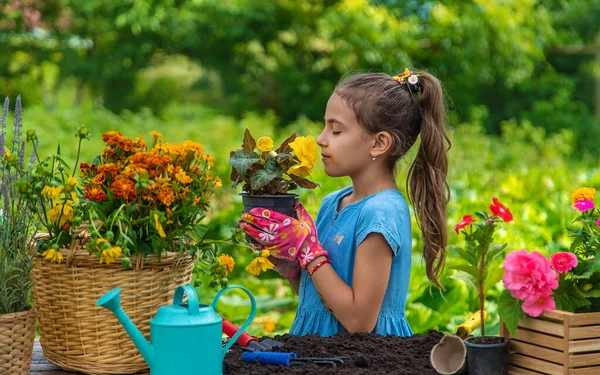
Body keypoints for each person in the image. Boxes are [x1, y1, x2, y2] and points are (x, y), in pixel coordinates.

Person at [239, 68, 450, 336]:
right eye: (325, 126)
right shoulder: (332, 203)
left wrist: (308, 250)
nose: (320, 139)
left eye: (336, 131)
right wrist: (294, 266)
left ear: (379, 143)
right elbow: (324, 300)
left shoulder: (381, 213)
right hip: (320, 348)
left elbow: (359, 321)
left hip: (364, 358)